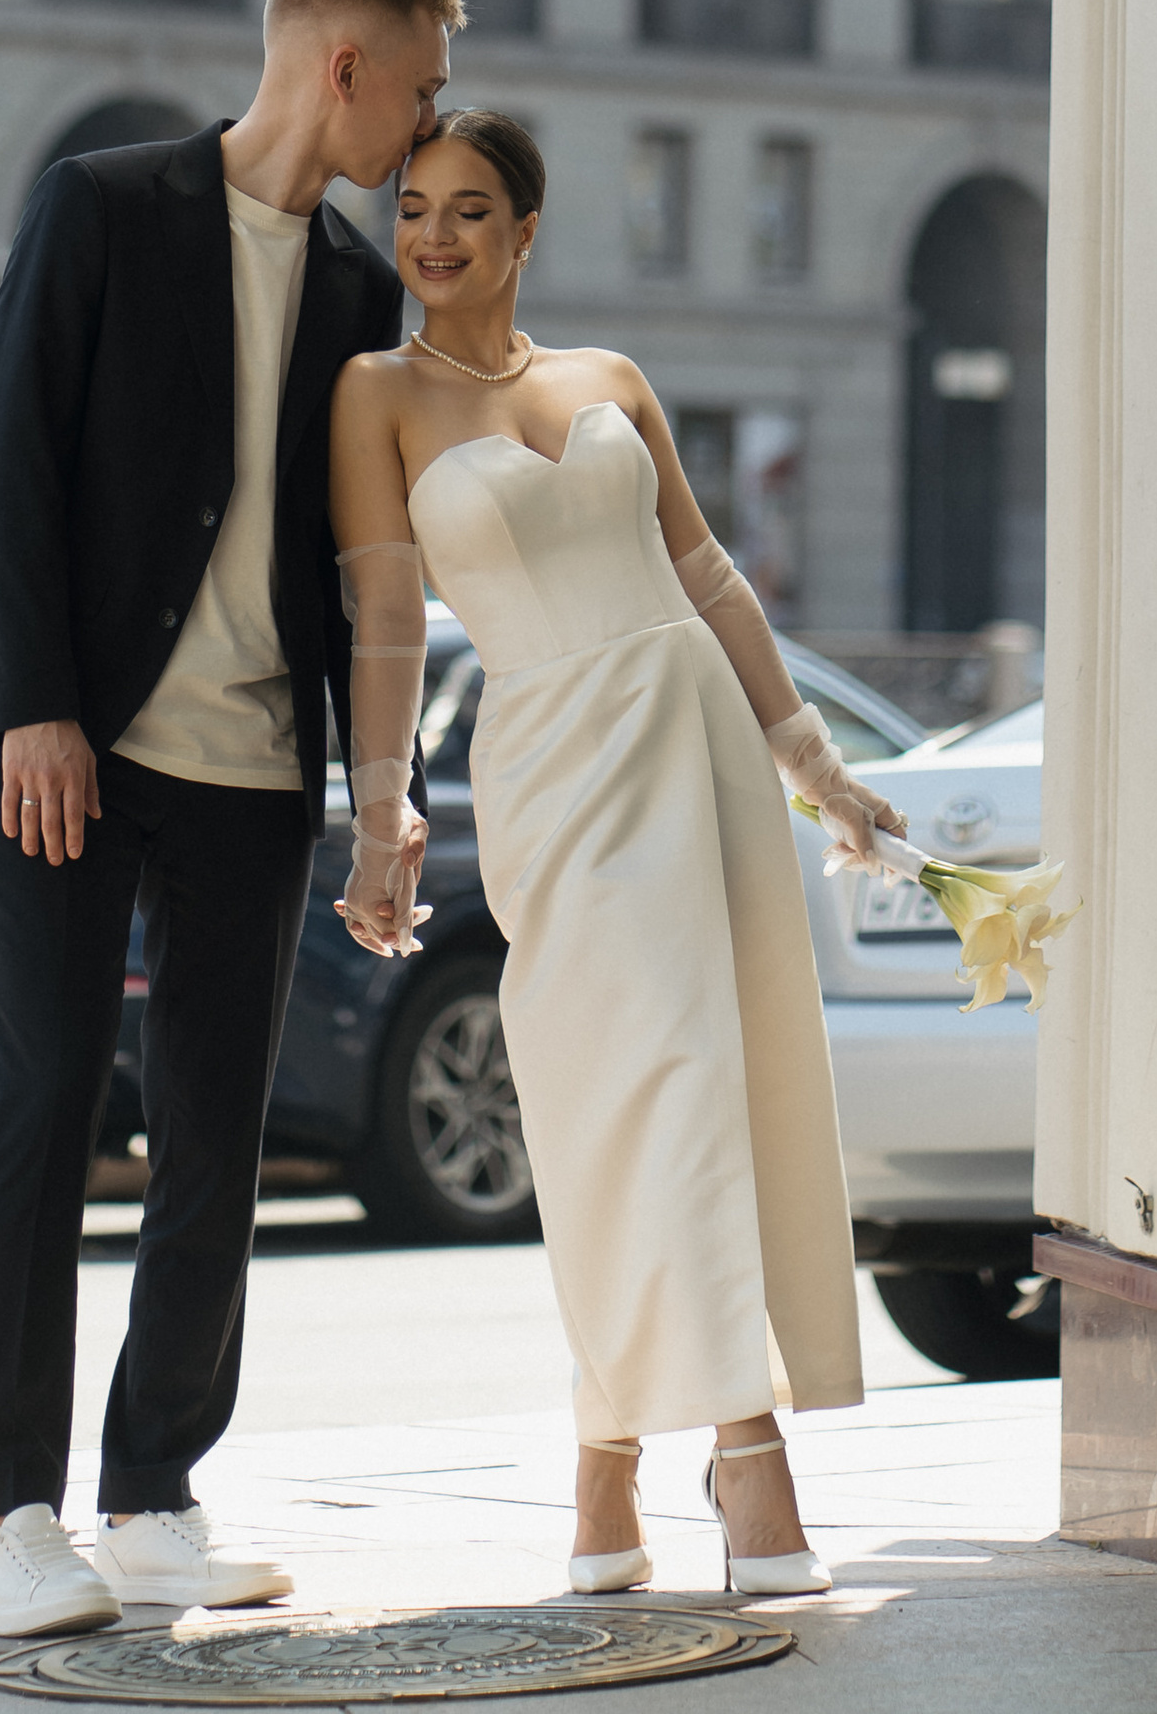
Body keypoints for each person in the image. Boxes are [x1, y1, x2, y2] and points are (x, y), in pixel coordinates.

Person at [0, 0, 461, 1642]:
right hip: (74, 753)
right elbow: (14, 457)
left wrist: (374, 792)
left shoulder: (352, 287)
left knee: (218, 1141)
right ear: (344, 68)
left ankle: (155, 1491)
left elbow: (354, 558)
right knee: (41, 1109)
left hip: (253, 763)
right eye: (420, 83)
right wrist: (34, 704)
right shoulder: (102, 206)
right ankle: (11, 1520)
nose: (428, 120)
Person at [329, 109, 902, 1598]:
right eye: (411, 210)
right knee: (615, 1102)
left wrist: (817, 764)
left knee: (715, 1079)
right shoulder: (374, 394)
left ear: (526, 233)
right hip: (553, 768)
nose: (434, 236)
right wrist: (382, 811)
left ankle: (638, 1466)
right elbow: (384, 616)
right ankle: (712, 1453)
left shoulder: (612, 381)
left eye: (468, 209)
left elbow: (706, 572)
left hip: (694, 740)